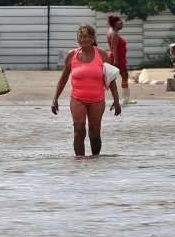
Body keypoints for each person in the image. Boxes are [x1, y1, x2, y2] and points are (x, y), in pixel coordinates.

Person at [52, 23, 122, 156]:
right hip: (77, 99)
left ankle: (95, 160)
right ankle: (80, 162)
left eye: (85, 36)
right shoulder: (71, 55)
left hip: (97, 99)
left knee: (94, 134)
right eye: (80, 36)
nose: (82, 39)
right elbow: (63, 79)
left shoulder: (101, 54)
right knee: (79, 132)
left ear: (93, 38)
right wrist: (55, 99)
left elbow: (111, 78)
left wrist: (116, 100)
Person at [107, 15, 134, 104]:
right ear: (115, 24)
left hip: (118, 56)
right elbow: (114, 48)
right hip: (116, 56)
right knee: (124, 76)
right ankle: (126, 97)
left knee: (112, 77)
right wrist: (116, 61)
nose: (122, 25)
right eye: (121, 23)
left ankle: (124, 97)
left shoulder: (113, 32)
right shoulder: (114, 33)